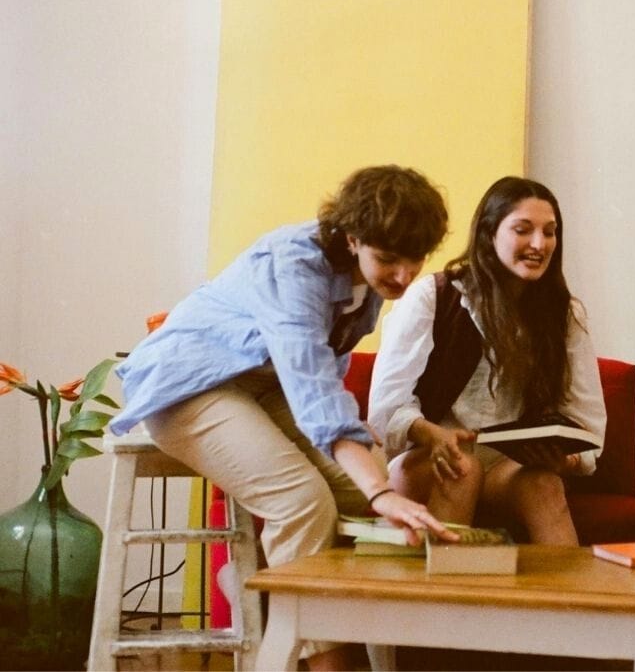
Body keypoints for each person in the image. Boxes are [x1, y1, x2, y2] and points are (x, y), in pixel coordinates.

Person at [110, 165, 458, 670]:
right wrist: (376, 483)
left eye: (415, 260)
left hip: (262, 386)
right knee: (301, 501)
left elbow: (325, 370)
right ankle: (325, 661)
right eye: (388, 259)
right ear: (353, 237)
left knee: (360, 490)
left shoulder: (367, 286)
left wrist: (369, 470)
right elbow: (312, 385)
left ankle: (270, 585)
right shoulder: (294, 265)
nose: (404, 276)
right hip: (187, 385)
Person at [368, 175, 605, 545]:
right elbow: (387, 405)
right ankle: (446, 582)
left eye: (549, 232)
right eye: (523, 230)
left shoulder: (564, 313)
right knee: (462, 467)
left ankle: (565, 586)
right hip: (427, 457)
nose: (539, 244)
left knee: (545, 485)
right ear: (488, 234)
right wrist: (433, 434)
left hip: (505, 466)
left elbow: (585, 415)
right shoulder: (432, 296)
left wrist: (565, 459)